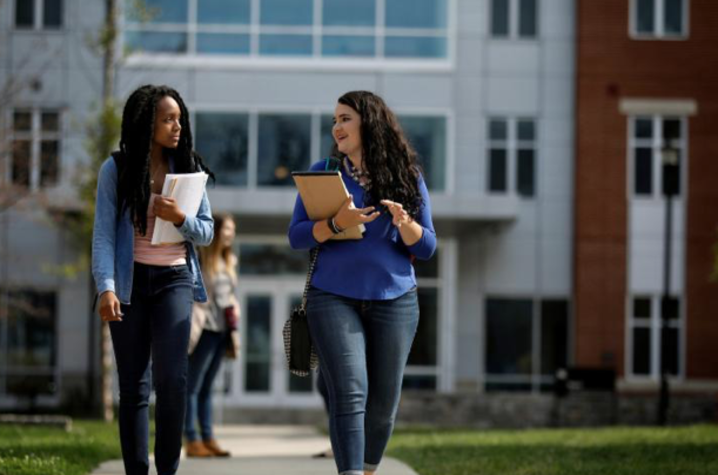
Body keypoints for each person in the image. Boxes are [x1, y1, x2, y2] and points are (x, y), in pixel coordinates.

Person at [288, 90, 436, 475]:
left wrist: (406, 224)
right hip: (332, 297)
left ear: (368, 123)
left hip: (396, 299)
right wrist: (338, 223)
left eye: (345, 118)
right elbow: (297, 236)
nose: (336, 127)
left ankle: (368, 469)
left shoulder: (407, 175)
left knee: (383, 405)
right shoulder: (323, 171)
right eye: (334, 120)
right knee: (351, 393)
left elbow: (428, 247)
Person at [92, 84, 214, 475]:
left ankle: (167, 470)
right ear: (148, 122)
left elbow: (207, 231)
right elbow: (104, 235)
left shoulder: (189, 167)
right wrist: (106, 287)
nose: (177, 126)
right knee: (134, 386)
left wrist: (179, 217)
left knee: (172, 380)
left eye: (179, 118)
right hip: (129, 285)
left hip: (174, 280)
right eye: (168, 119)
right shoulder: (117, 169)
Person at [184, 213, 239, 458]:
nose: (231, 234)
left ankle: (208, 437)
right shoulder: (201, 258)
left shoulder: (229, 261)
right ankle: (191, 439)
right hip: (204, 328)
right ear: (216, 230)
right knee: (192, 386)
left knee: (207, 388)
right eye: (227, 229)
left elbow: (229, 297)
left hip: (222, 331)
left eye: (232, 230)